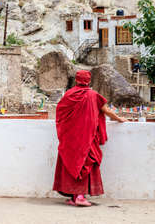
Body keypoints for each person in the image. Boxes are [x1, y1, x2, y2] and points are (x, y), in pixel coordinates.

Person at [53, 70, 126, 206]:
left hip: (71, 138)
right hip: (87, 137)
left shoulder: (68, 95)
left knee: (74, 163)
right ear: (89, 81)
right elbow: (107, 111)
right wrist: (119, 118)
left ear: (76, 80)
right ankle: (80, 196)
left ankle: (74, 197)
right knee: (84, 164)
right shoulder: (93, 95)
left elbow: (60, 114)